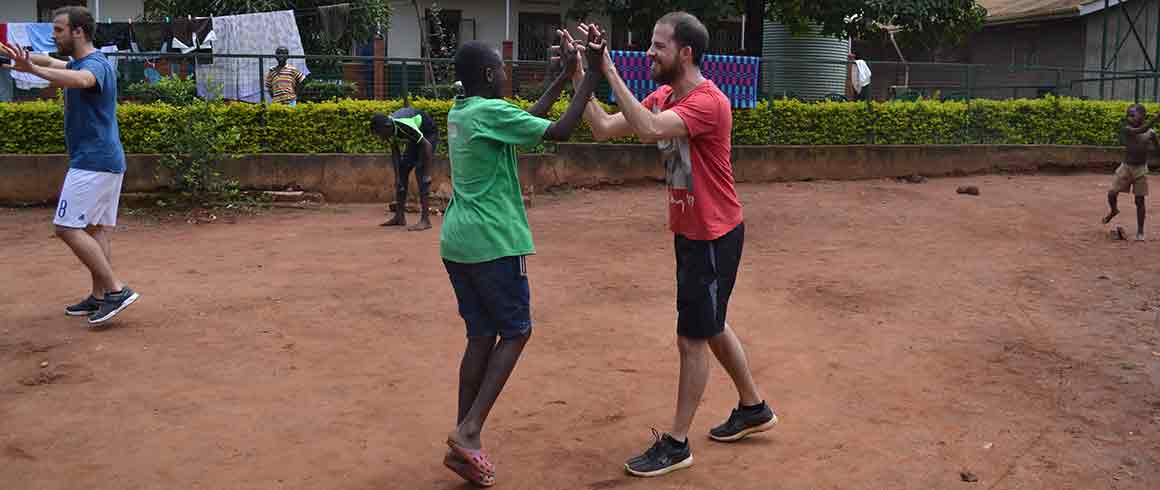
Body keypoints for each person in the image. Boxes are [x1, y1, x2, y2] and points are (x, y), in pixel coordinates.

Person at [571, 14, 775, 478]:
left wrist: (609, 70)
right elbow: (604, 127)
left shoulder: (709, 102)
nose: (649, 53)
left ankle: (678, 443)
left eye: (658, 46)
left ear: (685, 53)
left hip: (713, 235)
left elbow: (647, 130)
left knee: (692, 338)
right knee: (712, 324)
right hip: (693, 232)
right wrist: (579, 75)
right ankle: (753, 407)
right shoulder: (663, 96)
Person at [438, 31, 604, 487]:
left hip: (459, 243)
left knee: (480, 336)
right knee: (516, 331)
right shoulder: (490, 112)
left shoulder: (465, 111)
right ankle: (469, 431)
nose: (507, 75)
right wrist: (588, 76)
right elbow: (560, 131)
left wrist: (560, 77)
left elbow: (526, 118)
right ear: (490, 74)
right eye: (503, 69)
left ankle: (463, 439)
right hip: (494, 243)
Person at [1, 6, 140, 326]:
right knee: (94, 229)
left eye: (59, 30)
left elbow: (80, 80)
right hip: (103, 161)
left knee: (66, 228)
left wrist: (32, 71)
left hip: (94, 162)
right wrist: (16, 59)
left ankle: (117, 290)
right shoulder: (80, 60)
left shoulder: (95, 65)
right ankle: (101, 296)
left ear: (78, 31)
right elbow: (50, 61)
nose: (54, 35)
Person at [371, 106, 438, 231]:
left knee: (420, 172)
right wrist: (397, 177)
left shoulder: (404, 125)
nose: (381, 138)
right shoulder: (389, 128)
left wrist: (427, 173)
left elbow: (426, 146)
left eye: (380, 134)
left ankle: (425, 220)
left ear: (386, 126)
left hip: (428, 135)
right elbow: (395, 152)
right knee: (402, 171)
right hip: (415, 138)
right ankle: (399, 217)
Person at [1104, 103, 1160, 241]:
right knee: (1112, 193)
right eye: (1128, 115)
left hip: (1140, 169)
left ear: (1143, 115)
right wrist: (1158, 117)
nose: (1129, 118)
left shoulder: (1151, 133)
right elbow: (1141, 130)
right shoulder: (1127, 129)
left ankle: (1140, 232)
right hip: (1126, 167)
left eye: (1132, 115)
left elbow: (1158, 148)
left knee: (1139, 200)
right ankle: (1114, 210)